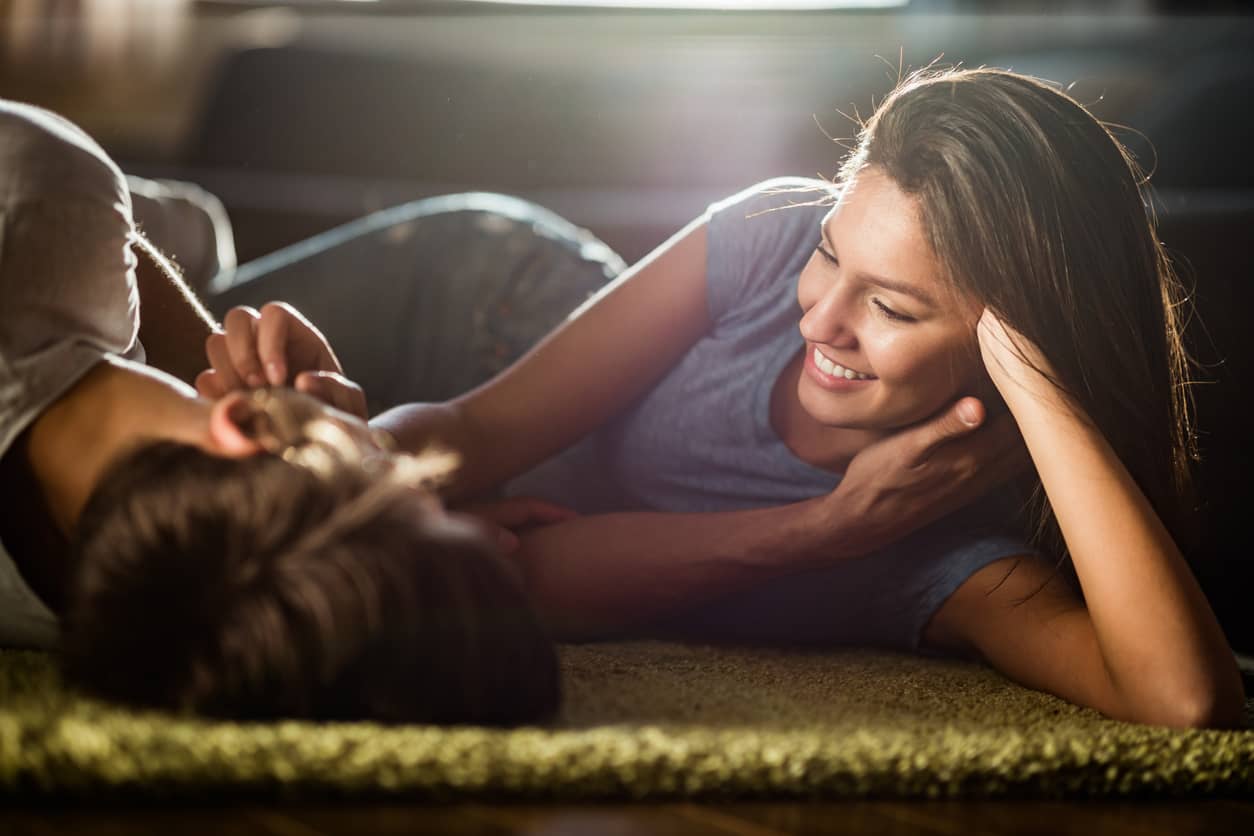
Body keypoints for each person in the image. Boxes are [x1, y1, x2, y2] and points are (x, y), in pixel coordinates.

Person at [202, 67, 1246, 729]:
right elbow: (479, 429)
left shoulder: (955, 557)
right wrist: (349, 453)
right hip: (479, 298)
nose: (820, 319)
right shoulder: (764, 237)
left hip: (456, 499)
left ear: (1006, 351)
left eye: (889, 305)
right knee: (143, 362)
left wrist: (1027, 382)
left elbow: (1188, 701)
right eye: (827, 254)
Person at [0, 99, 562, 725]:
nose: (397, 448)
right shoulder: (124, 622)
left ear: (240, 427)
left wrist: (269, 398)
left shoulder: (45, 202)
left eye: (391, 467)